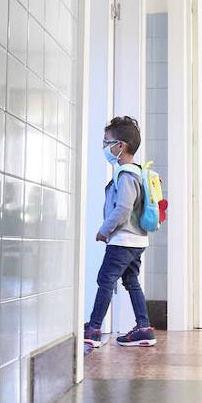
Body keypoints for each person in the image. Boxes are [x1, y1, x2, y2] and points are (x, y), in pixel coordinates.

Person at [84, 115, 157, 348]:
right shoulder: (138, 172)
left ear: (120, 146)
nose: (105, 148)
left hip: (123, 240)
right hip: (137, 241)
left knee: (105, 280)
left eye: (107, 142)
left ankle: (93, 330)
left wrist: (104, 230)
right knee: (131, 281)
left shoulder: (126, 174)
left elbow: (123, 207)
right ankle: (144, 328)